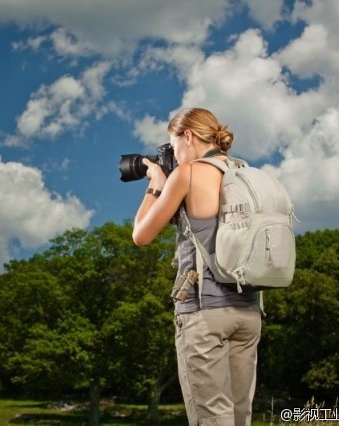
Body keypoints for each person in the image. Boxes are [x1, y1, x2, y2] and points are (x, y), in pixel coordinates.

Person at [132, 107, 261, 426]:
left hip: (204, 314)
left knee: (211, 418)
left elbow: (141, 234)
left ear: (188, 136)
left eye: (173, 146)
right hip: (249, 313)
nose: (173, 155)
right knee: (239, 415)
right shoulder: (243, 171)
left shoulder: (187, 174)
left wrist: (156, 183)